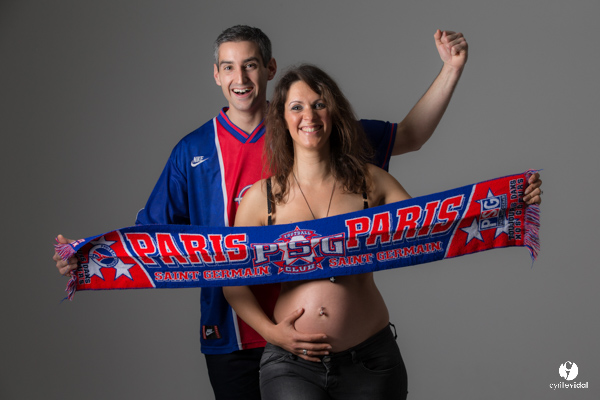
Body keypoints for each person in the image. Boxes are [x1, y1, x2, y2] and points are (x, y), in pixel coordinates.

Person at [53, 25, 537, 400]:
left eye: (250, 65)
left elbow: (423, 194)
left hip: (348, 344)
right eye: (228, 67)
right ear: (216, 74)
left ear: (269, 69)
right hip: (240, 334)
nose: (240, 78)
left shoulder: (316, 128)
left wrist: (452, 72)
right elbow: (150, 238)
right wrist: (87, 257)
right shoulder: (194, 152)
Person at [223, 64, 542, 399]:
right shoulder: (262, 198)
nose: (309, 116)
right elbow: (232, 281)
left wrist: (511, 201)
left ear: (334, 112)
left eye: (319, 104)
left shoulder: (370, 182)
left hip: (370, 363)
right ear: (282, 118)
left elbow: (435, 226)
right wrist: (272, 333)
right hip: (292, 364)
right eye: (296, 107)